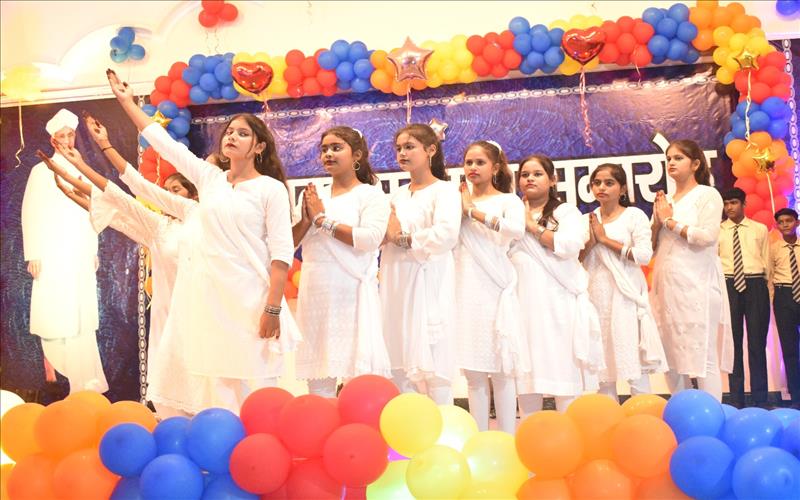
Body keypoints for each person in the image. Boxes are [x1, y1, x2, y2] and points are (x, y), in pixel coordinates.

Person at [107, 69, 299, 413]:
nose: (233, 136)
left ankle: (260, 442)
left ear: (259, 147)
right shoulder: (210, 179)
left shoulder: (270, 189)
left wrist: (272, 308)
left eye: (243, 133)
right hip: (211, 300)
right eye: (230, 131)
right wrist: (126, 103)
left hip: (252, 298)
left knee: (257, 386)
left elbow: (282, 254)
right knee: (219, 385)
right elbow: (165, 144)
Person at [42, 112, 205, 418]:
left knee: (205, 394)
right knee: (172, 397)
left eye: (177, 191)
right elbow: (119, 209)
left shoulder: (205, 223)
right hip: (168, 319)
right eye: (166, 191)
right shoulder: (160, 227)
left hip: (202, 318)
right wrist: (74, 178)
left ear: (193, 195)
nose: (170, 197)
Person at [292, 126, 391, 396]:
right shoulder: (313, 196)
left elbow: (370, 238)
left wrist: (322, 220)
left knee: (358, 379)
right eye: (324, 149)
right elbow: (291, 243)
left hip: (351, 290)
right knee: (318, 375)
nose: (328, 154)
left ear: (356, 155)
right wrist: (307, 219)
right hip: (315, 291)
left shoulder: (371, 195)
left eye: (336, 148)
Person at [21, 108, 108, 394]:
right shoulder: (40, 171)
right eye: (62, 135)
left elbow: (92, 210)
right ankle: (60, 374)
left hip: (79, 248)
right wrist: (33, 253)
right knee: (55, 309)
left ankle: (85, 380)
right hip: (52, 250)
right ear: (53, 139)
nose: (68, 140)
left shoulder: (82, 170)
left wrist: (92, 248)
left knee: (80, 312)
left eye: (71, 135)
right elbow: (30, 213)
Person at [512, 154, 603, 414]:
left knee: (563, 372)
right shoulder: (512, 213)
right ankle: (528, 432)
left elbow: (571, 245)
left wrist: (532, 227)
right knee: (526, 377)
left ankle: (568, 432)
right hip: (523, 304)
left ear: (553, 179)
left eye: (537, 174)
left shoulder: (566, 212)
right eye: (525, 174)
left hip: (558, 303)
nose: (530, 179)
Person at [380, 124, 461, 405]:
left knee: (435, 363)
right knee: (399, 359)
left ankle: (444, 426)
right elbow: (383, 235)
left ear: (431, 150)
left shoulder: (445, 191)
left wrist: (402, 238)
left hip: (429, 280)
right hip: (395, 279)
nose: (402, 153)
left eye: (409, 147)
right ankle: (407, 426)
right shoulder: (396, 196)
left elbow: (446, 235)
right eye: (399, 148)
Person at [650, 139, 733, 402]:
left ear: (696, 164)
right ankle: (680, 414)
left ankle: (712, 416)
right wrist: (657, 222)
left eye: (678, 158)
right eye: (668, 158)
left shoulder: (707, 195)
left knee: (703, 355)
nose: (671, 163)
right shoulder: (665, 200)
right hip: (667, 287)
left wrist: (669, 221)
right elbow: (652, 248)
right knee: (671, 356)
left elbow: (707, 236)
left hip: (698, 285)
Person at [455, 140, 526, 433]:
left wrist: (473, 212)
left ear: (495, 167)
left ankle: (507, 440)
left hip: (496, 290)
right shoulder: (456, 202)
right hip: (464, 290)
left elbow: (517, 230)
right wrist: (462, 209)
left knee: (502, 372)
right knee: (474, 374)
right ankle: (479, 440)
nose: (473, 167)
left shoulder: (509, 201)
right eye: (468, 162)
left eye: (480, 162)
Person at [581, 164, 667, 401]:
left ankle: (642, 416)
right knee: (603, 369)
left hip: (625, 297)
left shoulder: (633, 216)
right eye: (597, 183)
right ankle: (608, 418)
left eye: (609, 183)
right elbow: (575, 260)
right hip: (596, 296)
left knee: (634, 366)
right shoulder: (587, 219)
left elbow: (644, 256)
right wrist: (592, 241)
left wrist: (604, 239)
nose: (601, 187)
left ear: (622, 189)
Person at [718, 187, 770, 407]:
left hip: (755, 283)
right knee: (733, 344)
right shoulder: (718, 231)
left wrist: (764, 287)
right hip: (729, 284)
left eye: (734, 203)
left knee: (757, 343)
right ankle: (736, 400)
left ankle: (760, 399)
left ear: (744, 204)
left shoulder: (759, 229)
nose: (729, 207)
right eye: (726, 203)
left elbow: (766, 260)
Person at [769, 207, 800, 408]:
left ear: (797, 222)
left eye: (789, 220)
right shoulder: (774, 249)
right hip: (784, 296)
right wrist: (775, 299)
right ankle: (796, 397)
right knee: (789, 349)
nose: (785, 224)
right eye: (781, 222)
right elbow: (770, 276)